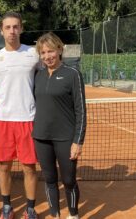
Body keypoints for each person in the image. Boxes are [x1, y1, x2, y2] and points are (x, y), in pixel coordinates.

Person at [0, 12, 39, 219]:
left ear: (21, 28)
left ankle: (30, 209)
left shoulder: (34, 54)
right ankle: (7, 207)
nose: (12, 31)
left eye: (15, 26)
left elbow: (47, 74)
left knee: (29, 167)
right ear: (1, 31)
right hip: (3, 120)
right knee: (4, 166)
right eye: (7, 27)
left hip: (28, 118)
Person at [32, 32, 86, 219]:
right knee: (49, 180)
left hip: (66, 138)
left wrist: (77, 141)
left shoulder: (73, 74)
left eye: (51, 51)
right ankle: (55, 215)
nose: (47, 56)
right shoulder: (37, 75)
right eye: (43, 52)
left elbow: (81, 110)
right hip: (41, 137)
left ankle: (73, 215)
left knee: (69, 180)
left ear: (60, 49)